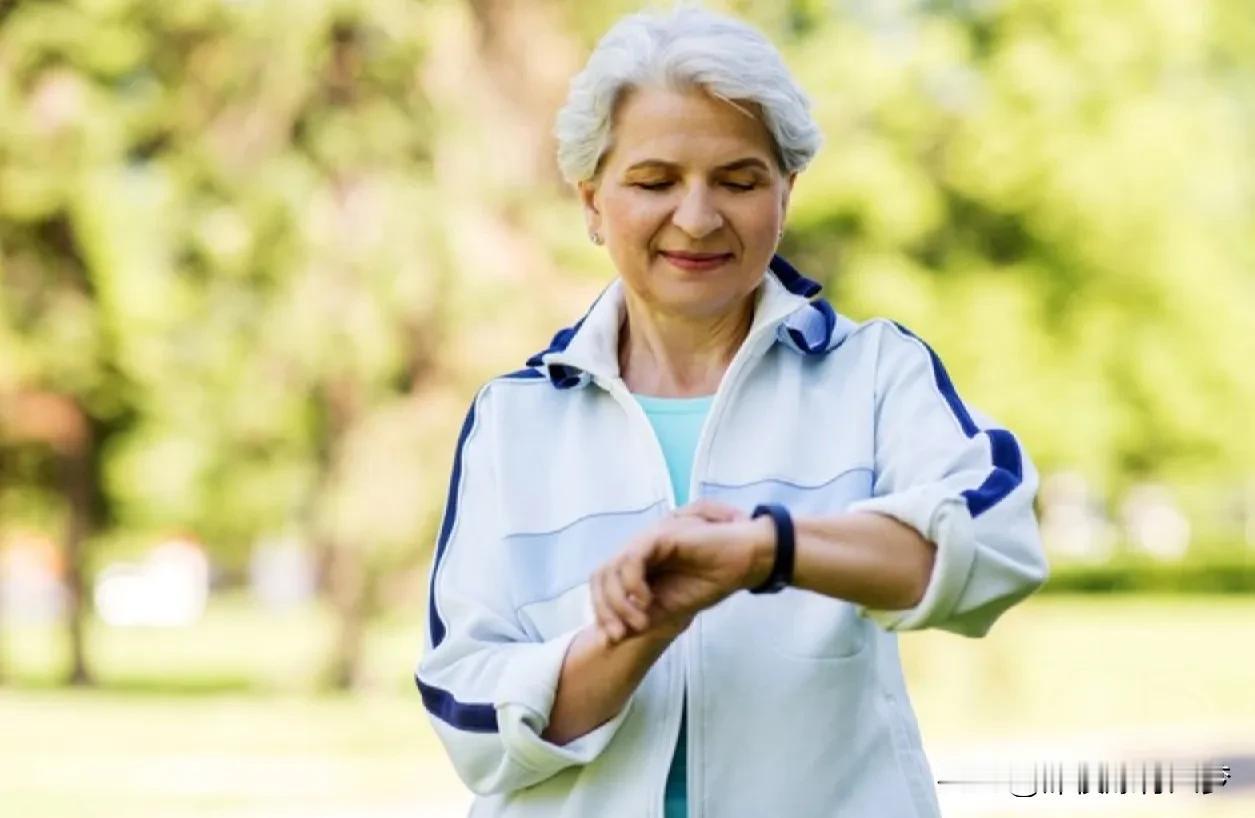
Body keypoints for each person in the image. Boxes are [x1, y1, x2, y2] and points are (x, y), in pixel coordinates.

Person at [415, 7, 1047, 818]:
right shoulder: (514, 418)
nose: (697, 217)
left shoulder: (875, 372)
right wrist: (643, 627)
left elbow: (994, 549)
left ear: (786, 192)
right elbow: (473, 723)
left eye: (739, 181)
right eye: (653, 182)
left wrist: (766, 549)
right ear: (591, 201)